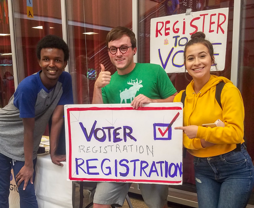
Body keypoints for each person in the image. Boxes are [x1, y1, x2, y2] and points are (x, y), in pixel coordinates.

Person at [92, 26, 177, 208]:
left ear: (134, 50)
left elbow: (176, 101)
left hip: (152, 152)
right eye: (113, 49)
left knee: (157, 205)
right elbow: (96, 116)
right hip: (118, 153)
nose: (118, 54)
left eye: (124, 48)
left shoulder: (154, 71)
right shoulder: (107, 82)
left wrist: (153, 102)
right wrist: (97, 87)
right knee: (100, 204)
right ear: (108, 52)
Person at [174, 32, 254, 208]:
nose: (197, 62)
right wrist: (204, 142)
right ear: (185, 64)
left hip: (234, 166)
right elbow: (181, 138)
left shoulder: (227, 90)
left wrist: (200, 132)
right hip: (202, 168)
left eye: (202, 56)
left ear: (212, 59)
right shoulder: (180, 97)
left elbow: (235, 134)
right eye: (190, 58)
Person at [0, 35, 73, 208]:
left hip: (26, 141)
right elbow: (28, 130)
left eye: (57, 60)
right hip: (3, 136)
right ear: (39, 62)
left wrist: (54, 153)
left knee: (26, 190)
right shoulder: (28, 87)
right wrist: (28, 165)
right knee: (2, 191)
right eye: (46, 59)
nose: (52, 64)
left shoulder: (65, 80)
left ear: (65, 63)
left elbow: (56, 118)